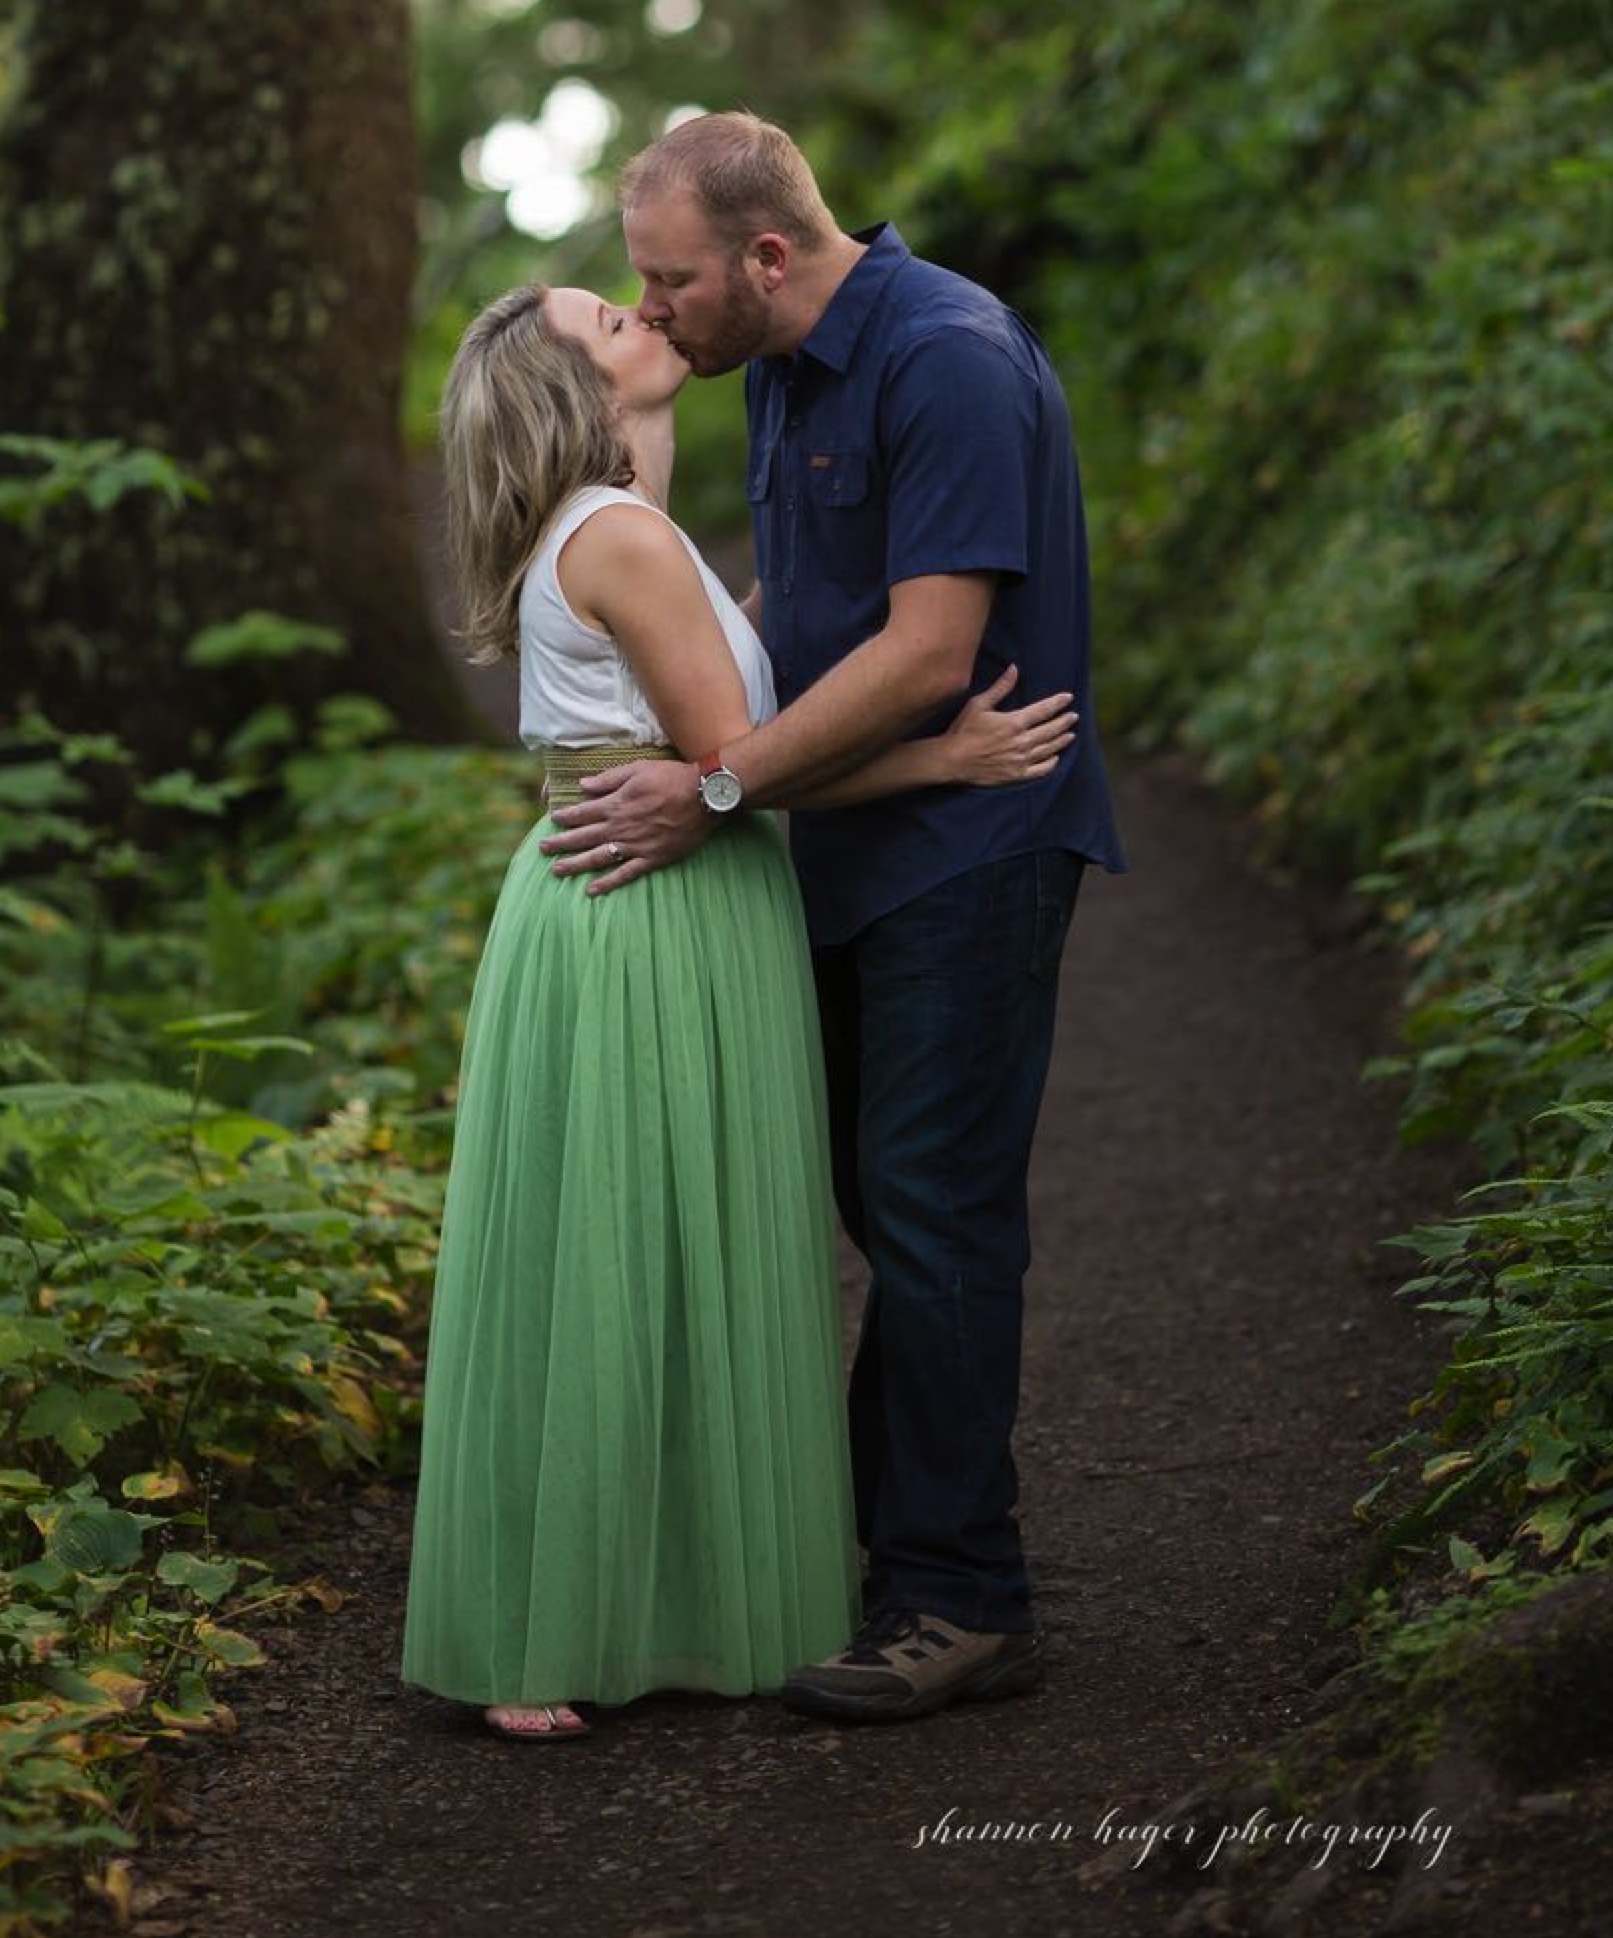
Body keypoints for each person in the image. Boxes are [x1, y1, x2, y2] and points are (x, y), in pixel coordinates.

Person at [400, 278, 1077, 1741]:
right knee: (634, 1249)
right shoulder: (626, 539)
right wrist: (938, 766)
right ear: (574, 390)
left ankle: (614, 1599)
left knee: (636, 1246)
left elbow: (726, 741)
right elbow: (735, 765)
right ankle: (561, 1616)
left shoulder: (626, 536)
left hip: (629, 898)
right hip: (652, 912)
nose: (645, 314)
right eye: (610, 317)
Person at [542, 114, 1124, 1725]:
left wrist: (714, 791)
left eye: (669, 284)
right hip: (856, 851)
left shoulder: (947, 359)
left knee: (934, 1213)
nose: (652, 314)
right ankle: (888, 1537)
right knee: (887, 1207)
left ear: (768, 257)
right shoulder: (781, 363)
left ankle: (961, 1597)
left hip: (972, 849)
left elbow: (930, 652)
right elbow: (783, 620)